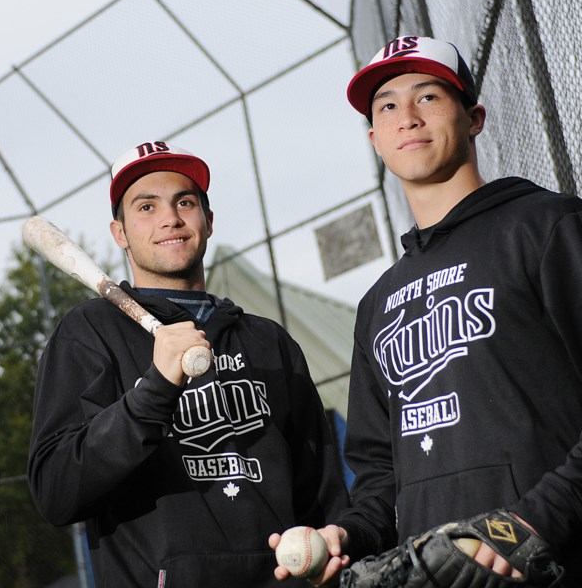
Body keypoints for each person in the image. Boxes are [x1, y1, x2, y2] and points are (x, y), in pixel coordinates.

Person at [271, 36, 582, 587]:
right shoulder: (377, 304)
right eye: (388, 106)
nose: (408, 117)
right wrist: (347, 535)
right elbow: (381, 475)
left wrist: (535, 519)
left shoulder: (551, 228)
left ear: (473, 117)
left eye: (428, 96)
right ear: (375, 140)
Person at [27, 140, 351, 587]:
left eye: (185, 202)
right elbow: (55, 491)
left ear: (208, 220)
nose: (170, 219)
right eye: (146, 207)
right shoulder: (89, 334)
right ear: (119, 233)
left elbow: (323, 493)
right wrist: (154, 390)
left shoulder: (267, 341)